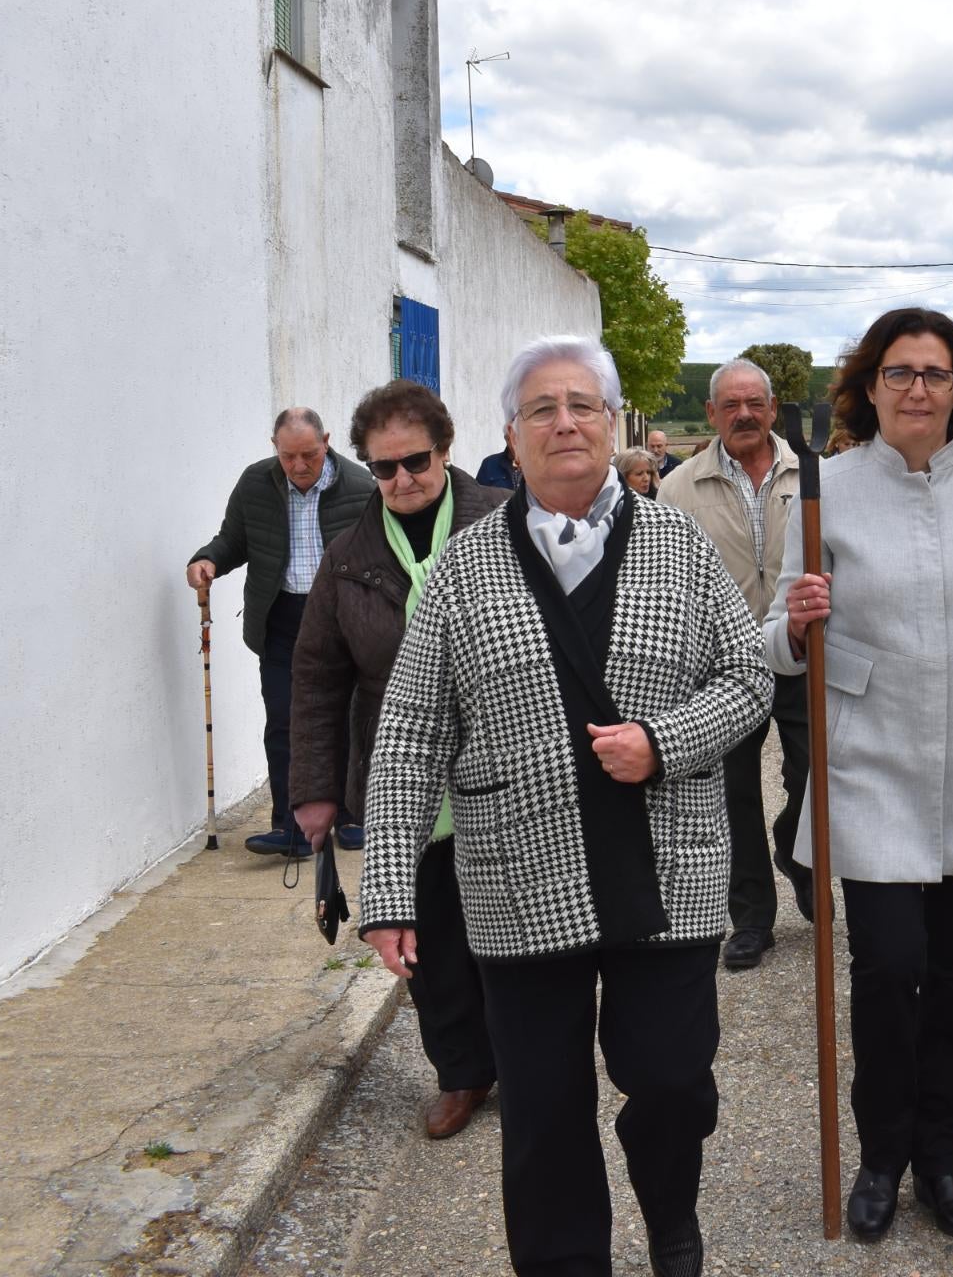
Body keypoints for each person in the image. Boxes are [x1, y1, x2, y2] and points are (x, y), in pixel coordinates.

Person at [358, 336, 772, 1277]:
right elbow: (411, 734)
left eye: (583, 404)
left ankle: (671, 1211)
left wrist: (664, 743)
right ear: (512, 434)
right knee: (543, 1114)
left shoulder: (679, 546)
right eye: (541, 409)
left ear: (613, 421)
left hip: (664, 871)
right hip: (516, 876)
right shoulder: (465, 568)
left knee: (670, 1082)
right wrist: (388, 892)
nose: (565, 422)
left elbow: (748, 679)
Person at [761, 308, 953, 1242]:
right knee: (889, 967)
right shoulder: (824, 487)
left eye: (936, 373)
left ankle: (943, 1154)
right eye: (900, 373)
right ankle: (883, 1154)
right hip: (868, 760)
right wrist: (798, 620)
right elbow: (775, 642)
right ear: (870, 386)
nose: (918, 389)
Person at [287, 381, 506, 1140]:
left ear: (445, 450)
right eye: (383, 468)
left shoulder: (505, 525)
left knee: (511, 927)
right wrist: (313, 791)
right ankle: (462, 1074)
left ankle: (528, 1059)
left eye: (416, 461)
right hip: (405, 777)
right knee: (433, 939)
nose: (402, 479)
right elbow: (316, 678)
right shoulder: (348, 559)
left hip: (503, 767)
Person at [656, 361, 810, 971]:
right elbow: (664, 580)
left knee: (816, 779)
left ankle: (796, 852)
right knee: (735, 794)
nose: (743, 414)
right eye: (730, 405)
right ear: (715, 413)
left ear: (772, 409)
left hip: (801, 652)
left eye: (754, 403)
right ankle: (751, 919)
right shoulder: (679, 488)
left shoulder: (813, 473)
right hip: (723, 668)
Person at [187, 408, 372, 856]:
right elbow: (232, 540)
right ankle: (291, 826)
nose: (299, 466)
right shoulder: (256, 484)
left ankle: (351, 816)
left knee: (348, 716)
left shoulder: (361, 486)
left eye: (309, 454)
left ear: (326, 441)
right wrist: (207, 559)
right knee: (285, 720)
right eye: (289, 456)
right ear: (276, 448)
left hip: (341, 617)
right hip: (282, 619)